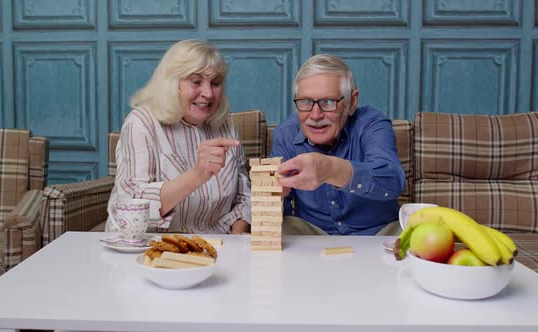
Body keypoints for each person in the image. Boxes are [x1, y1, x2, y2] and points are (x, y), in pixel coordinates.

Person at [106, 39, 251, 235]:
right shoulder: (141, 123)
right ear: (172, 84)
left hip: (217, 248)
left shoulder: (225, 125)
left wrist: (238, 237)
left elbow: (244, 196)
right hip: (150, 248)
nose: (208, 93)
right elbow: (130, 206)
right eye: (196, 81)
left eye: (215, 83)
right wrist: (197, 175)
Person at [270, 54, 405, 235]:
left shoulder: (371, 123)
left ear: (352, 102)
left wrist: (329, 169)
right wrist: (274, 197)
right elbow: (279, 213)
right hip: (314, 237)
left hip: (378, 234)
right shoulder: (286, 134)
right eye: (306, 102)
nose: (315, 115)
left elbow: (393, 181)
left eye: (328, 102)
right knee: (284, 228)